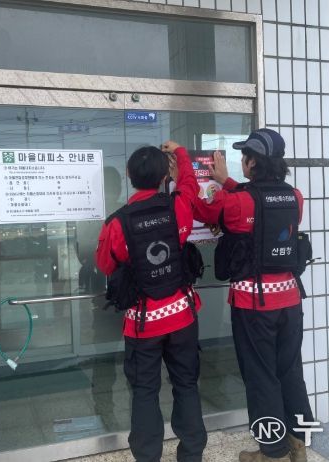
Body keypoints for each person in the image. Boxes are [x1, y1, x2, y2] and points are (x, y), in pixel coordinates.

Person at [194, 129, 314, 462]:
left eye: (244, 157)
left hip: (254, 304)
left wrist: (203, 179)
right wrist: (229, 182)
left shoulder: (235, 202)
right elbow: (259, 206)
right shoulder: (295, 197)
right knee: (289, 371)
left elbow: (205, 212)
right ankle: (298, 445)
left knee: (261, 376)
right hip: (290, 300)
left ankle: (272, 453)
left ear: (251, 163)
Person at [95, 142, 207, 462]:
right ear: (162, 178)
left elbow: (105, 264)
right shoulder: (179, 205)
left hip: (143, 325)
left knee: (145, 392)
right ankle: (191, 455)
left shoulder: (117, 223)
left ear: (129, 175)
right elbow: (190, 184)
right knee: (186, 384)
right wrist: (180, 154)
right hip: (183, 316)